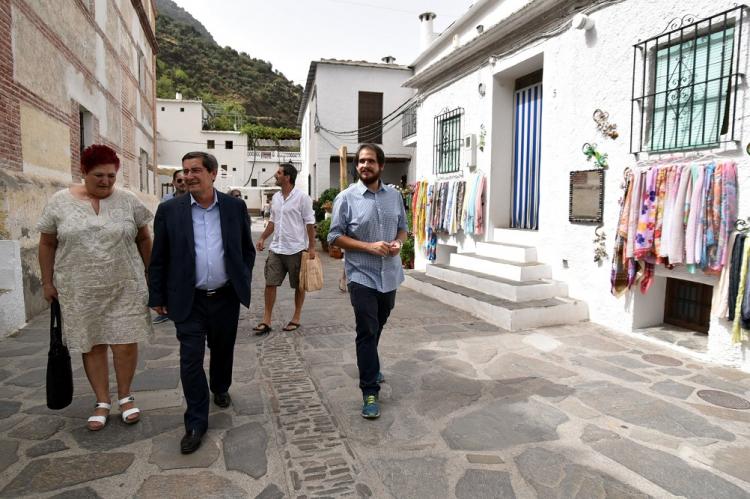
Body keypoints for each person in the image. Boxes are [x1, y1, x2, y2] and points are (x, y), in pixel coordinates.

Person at [37, 144, 153, 431]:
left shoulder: (128, 200)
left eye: (111, 176)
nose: (106, 182)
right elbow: (47, 243)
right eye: (99, 175)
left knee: (125, 342)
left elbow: (143, 238)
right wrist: (47, 281)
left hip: (125, 283)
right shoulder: (59, 201)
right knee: (93, 342)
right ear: (83, 172)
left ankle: (126, 396)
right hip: (79, 287)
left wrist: (152, 274)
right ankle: (102, 400)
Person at [148, 151, 255, 454]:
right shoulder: (170, 211)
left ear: (212, 173)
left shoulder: (234, 207)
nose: (188, 176)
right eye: (185, 171)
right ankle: (196, 421)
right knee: (190, 359)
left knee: (222, 349)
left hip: (225, 296)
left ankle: (220, 387)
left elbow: (246, 250)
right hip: (188, 299)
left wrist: (241, 279)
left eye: (196, 170)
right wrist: (157, 295)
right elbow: (159, 258)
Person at [327, 144, 407, 419]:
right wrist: (369, 247)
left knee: (377, 323)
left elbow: (403, 230)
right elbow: (333, 237)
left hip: (390, 275)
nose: (364, 166)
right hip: (361, 274)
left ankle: (370, 363)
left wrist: (397, 243)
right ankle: (370, 390)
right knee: (366, 329)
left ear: (380, 166)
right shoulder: (346, 198)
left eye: (370, 161)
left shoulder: (394, 197)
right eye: (360, 161)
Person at [254, 163, 316, 335]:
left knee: (299, 285)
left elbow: (310, 223)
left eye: (279, 172)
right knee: (270, 283)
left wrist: (311, 247)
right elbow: (273, 221)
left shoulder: (303, 198)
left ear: (288, 177)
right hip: (277, 248)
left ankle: (296, 317)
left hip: (296, 248)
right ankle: (266, 320)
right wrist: (262, 237)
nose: (276, 174)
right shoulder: (276, 198)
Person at [153, 171, 188, 326]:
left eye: (183, 180)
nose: (182, 183)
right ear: (173, 182)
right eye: (178, 180)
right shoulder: (166, 204)